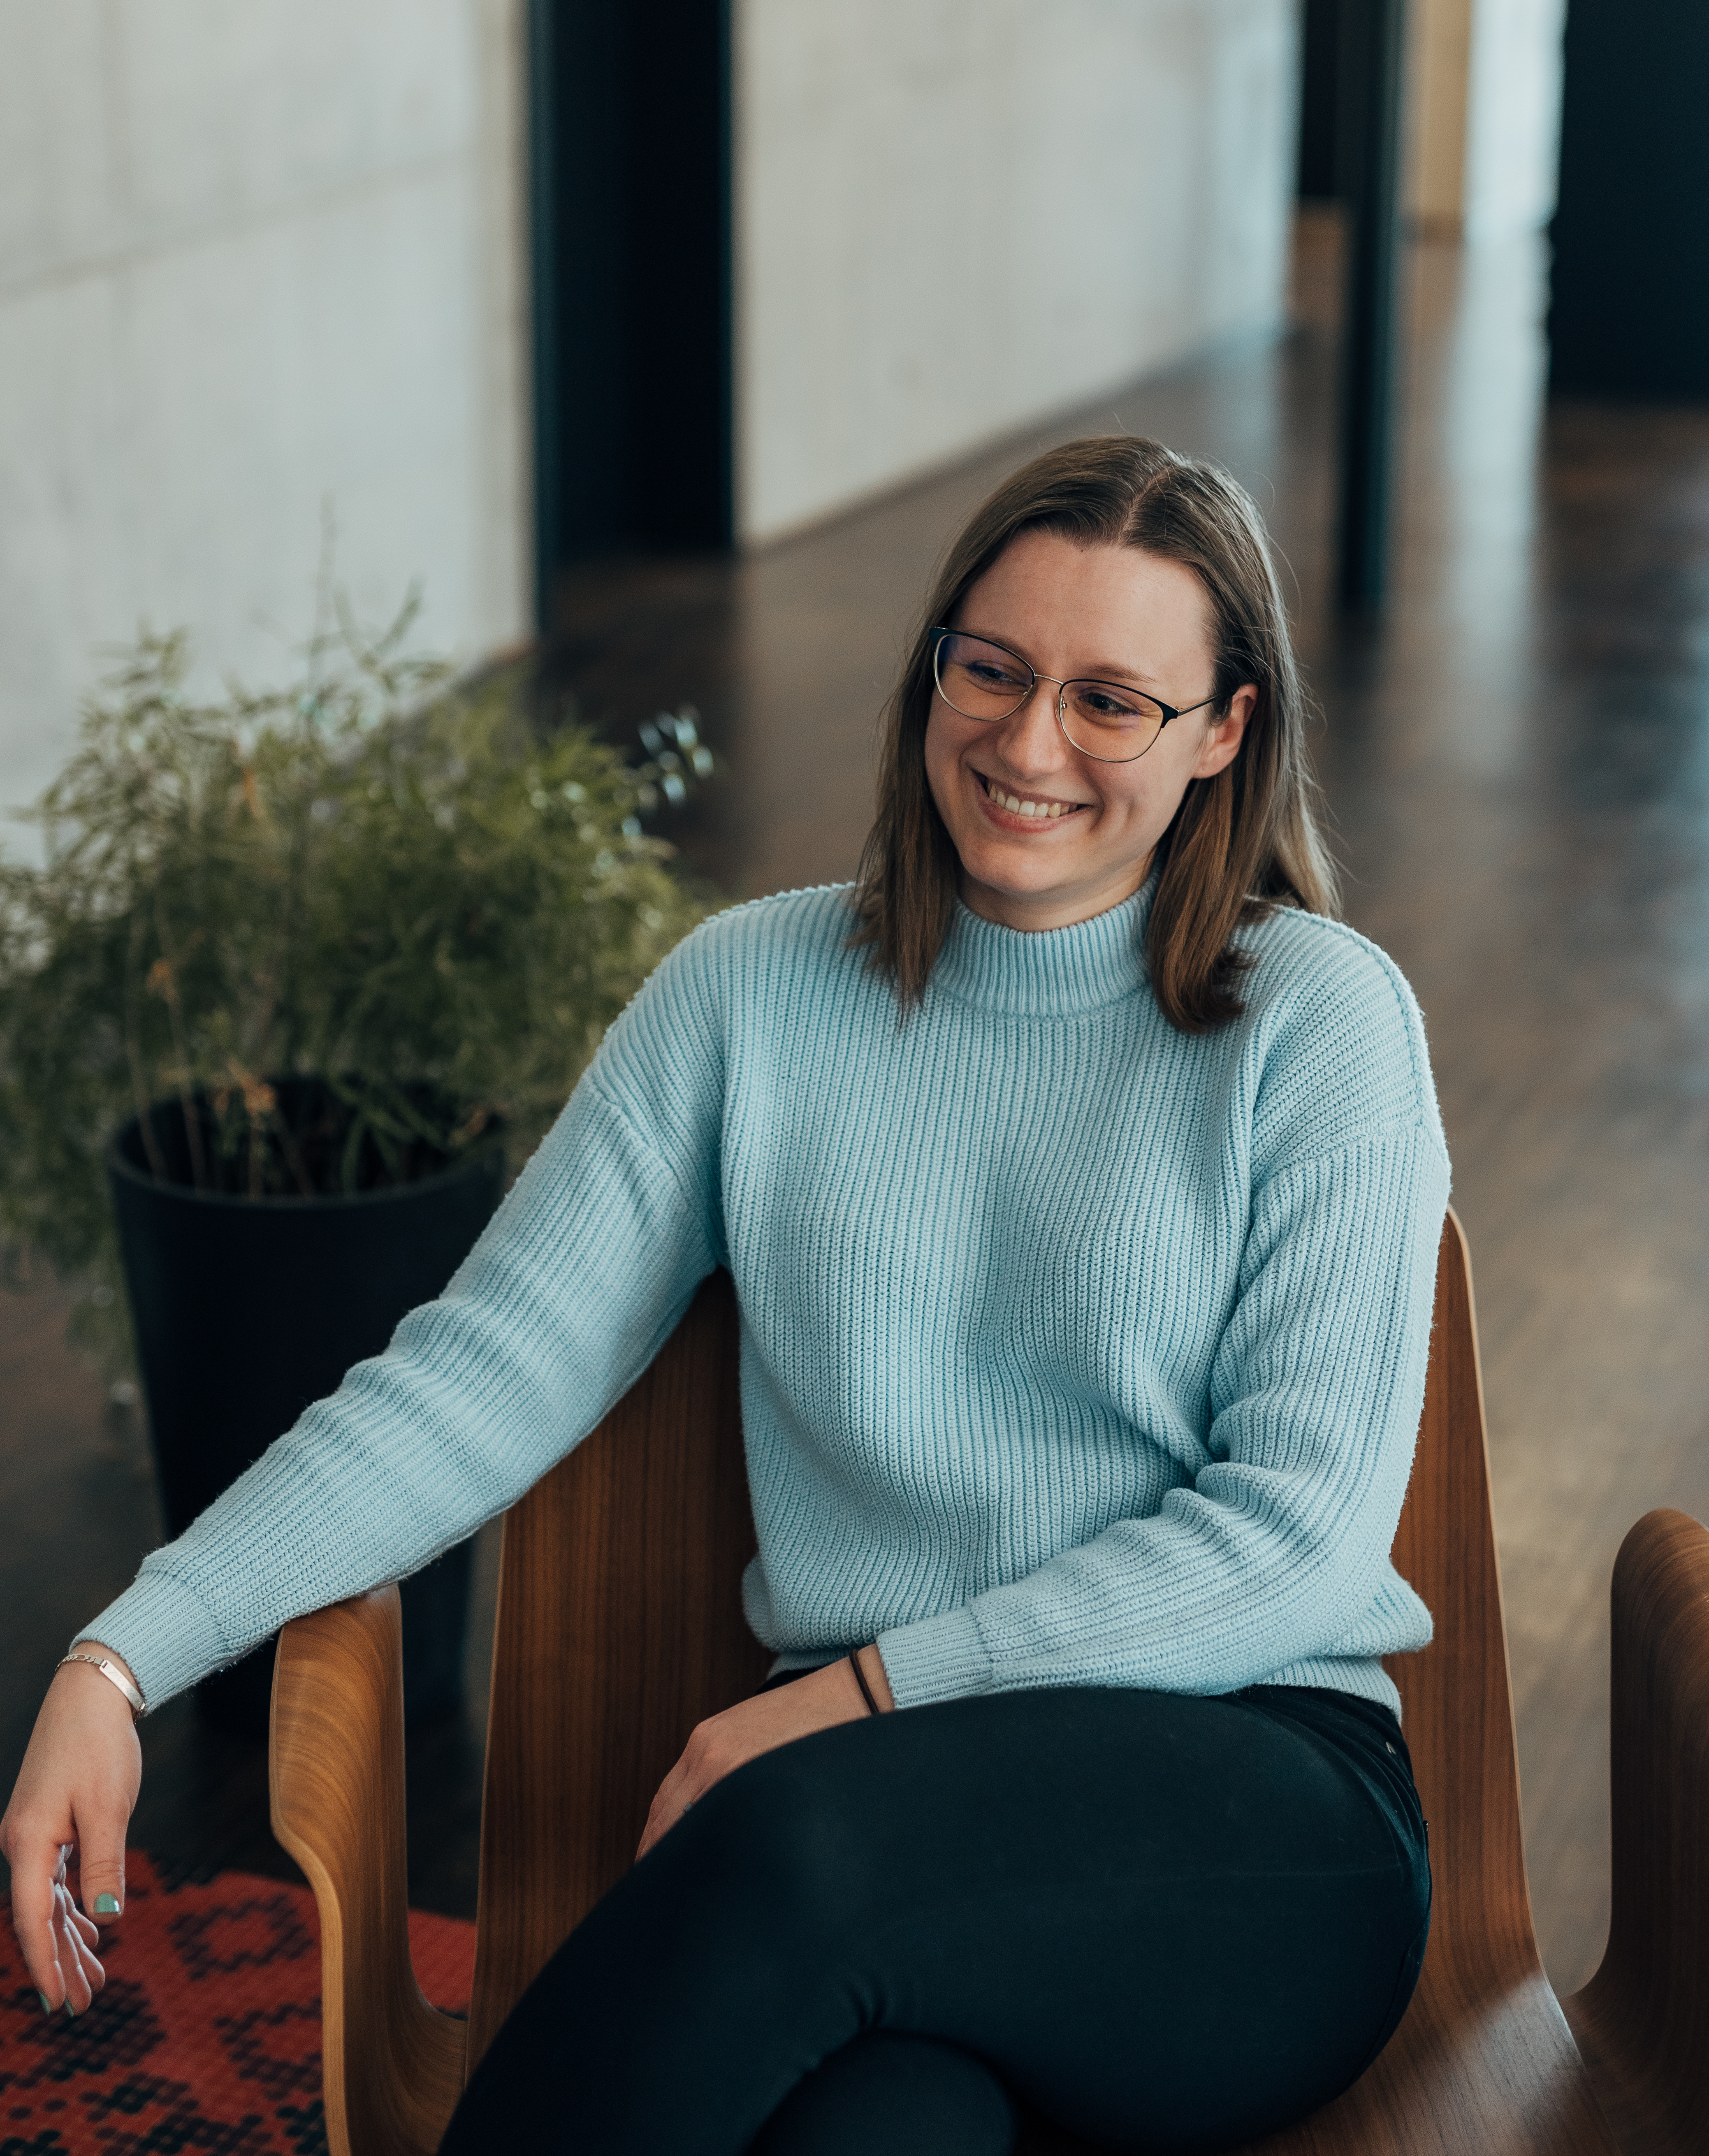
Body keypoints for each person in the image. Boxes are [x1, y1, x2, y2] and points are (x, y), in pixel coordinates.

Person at [2, 436, 1448, 2155]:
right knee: (874, 2131)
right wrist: (122, 1658)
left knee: (789, 1838)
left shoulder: (1318, 1020)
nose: (1026, 740)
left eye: (1110, 700)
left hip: (1249, 1817)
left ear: (1225, 731)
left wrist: (860, 1700)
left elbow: (1292, 1532)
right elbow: (477, 1378)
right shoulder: (749, 995)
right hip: (869, 1853)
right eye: (986, 668)